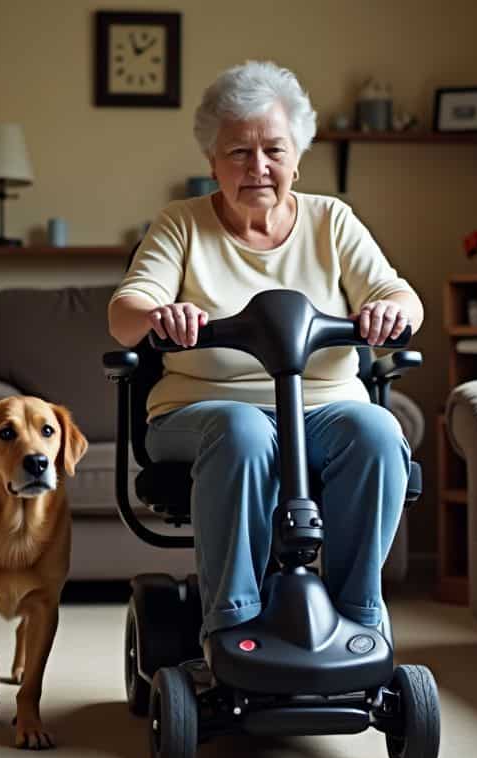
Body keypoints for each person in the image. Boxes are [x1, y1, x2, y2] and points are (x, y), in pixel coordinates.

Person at [108, 60, 424, 643]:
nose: (258, 168)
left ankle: (360, 620)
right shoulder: (181, 224)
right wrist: (159, 314)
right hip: (200, 414)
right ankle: (233, 622)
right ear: (211, 162)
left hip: (323, 410)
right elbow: (125, 316)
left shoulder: (333, 221)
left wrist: (393, 310)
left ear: (297, 157)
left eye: (273, 151)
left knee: (379, 432)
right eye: (238, 153)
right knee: (243, 430)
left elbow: (399, 294)